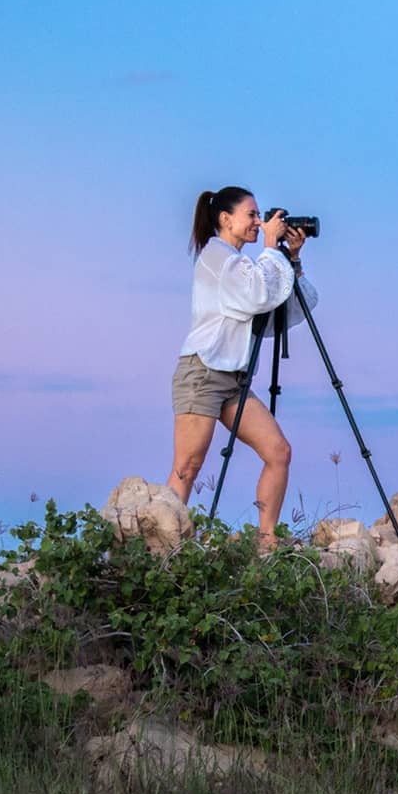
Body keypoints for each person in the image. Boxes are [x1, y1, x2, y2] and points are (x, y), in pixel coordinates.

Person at [167, 186, 317, 552]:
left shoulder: (241, 263)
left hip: (233, 378)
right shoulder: (217, 257)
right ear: (225, 219)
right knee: (188, 466)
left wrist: (291, 260)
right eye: (251, 215)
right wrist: (270, 247)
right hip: (202, 372)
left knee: (278, 452)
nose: (259, 221)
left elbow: (279, 310)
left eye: (259, 215)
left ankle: (266, 542)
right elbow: (257, 295)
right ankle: (161, 547)